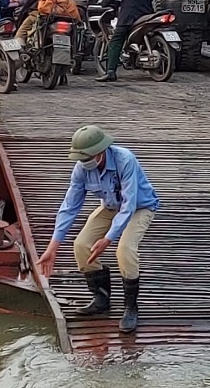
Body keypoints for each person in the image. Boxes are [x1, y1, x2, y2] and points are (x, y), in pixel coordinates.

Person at [35, 125, 160, 333]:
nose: (84, 163)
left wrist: (108, 238)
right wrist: (53, 247)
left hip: (140, 207)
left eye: (87, 157)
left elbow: (129, 205)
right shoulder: (81, 168)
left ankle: (131, 307)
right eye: (80, 159)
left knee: (125, 249)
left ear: (101, 151)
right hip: (110, 206)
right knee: (81, 245)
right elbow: (69, 206)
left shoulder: (124, 160)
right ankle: (101, 297)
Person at [96, 0, 158, 83]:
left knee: (116, 40)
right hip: (147, 14)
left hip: (129, 16)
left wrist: (105, 2)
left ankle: (111, 71)